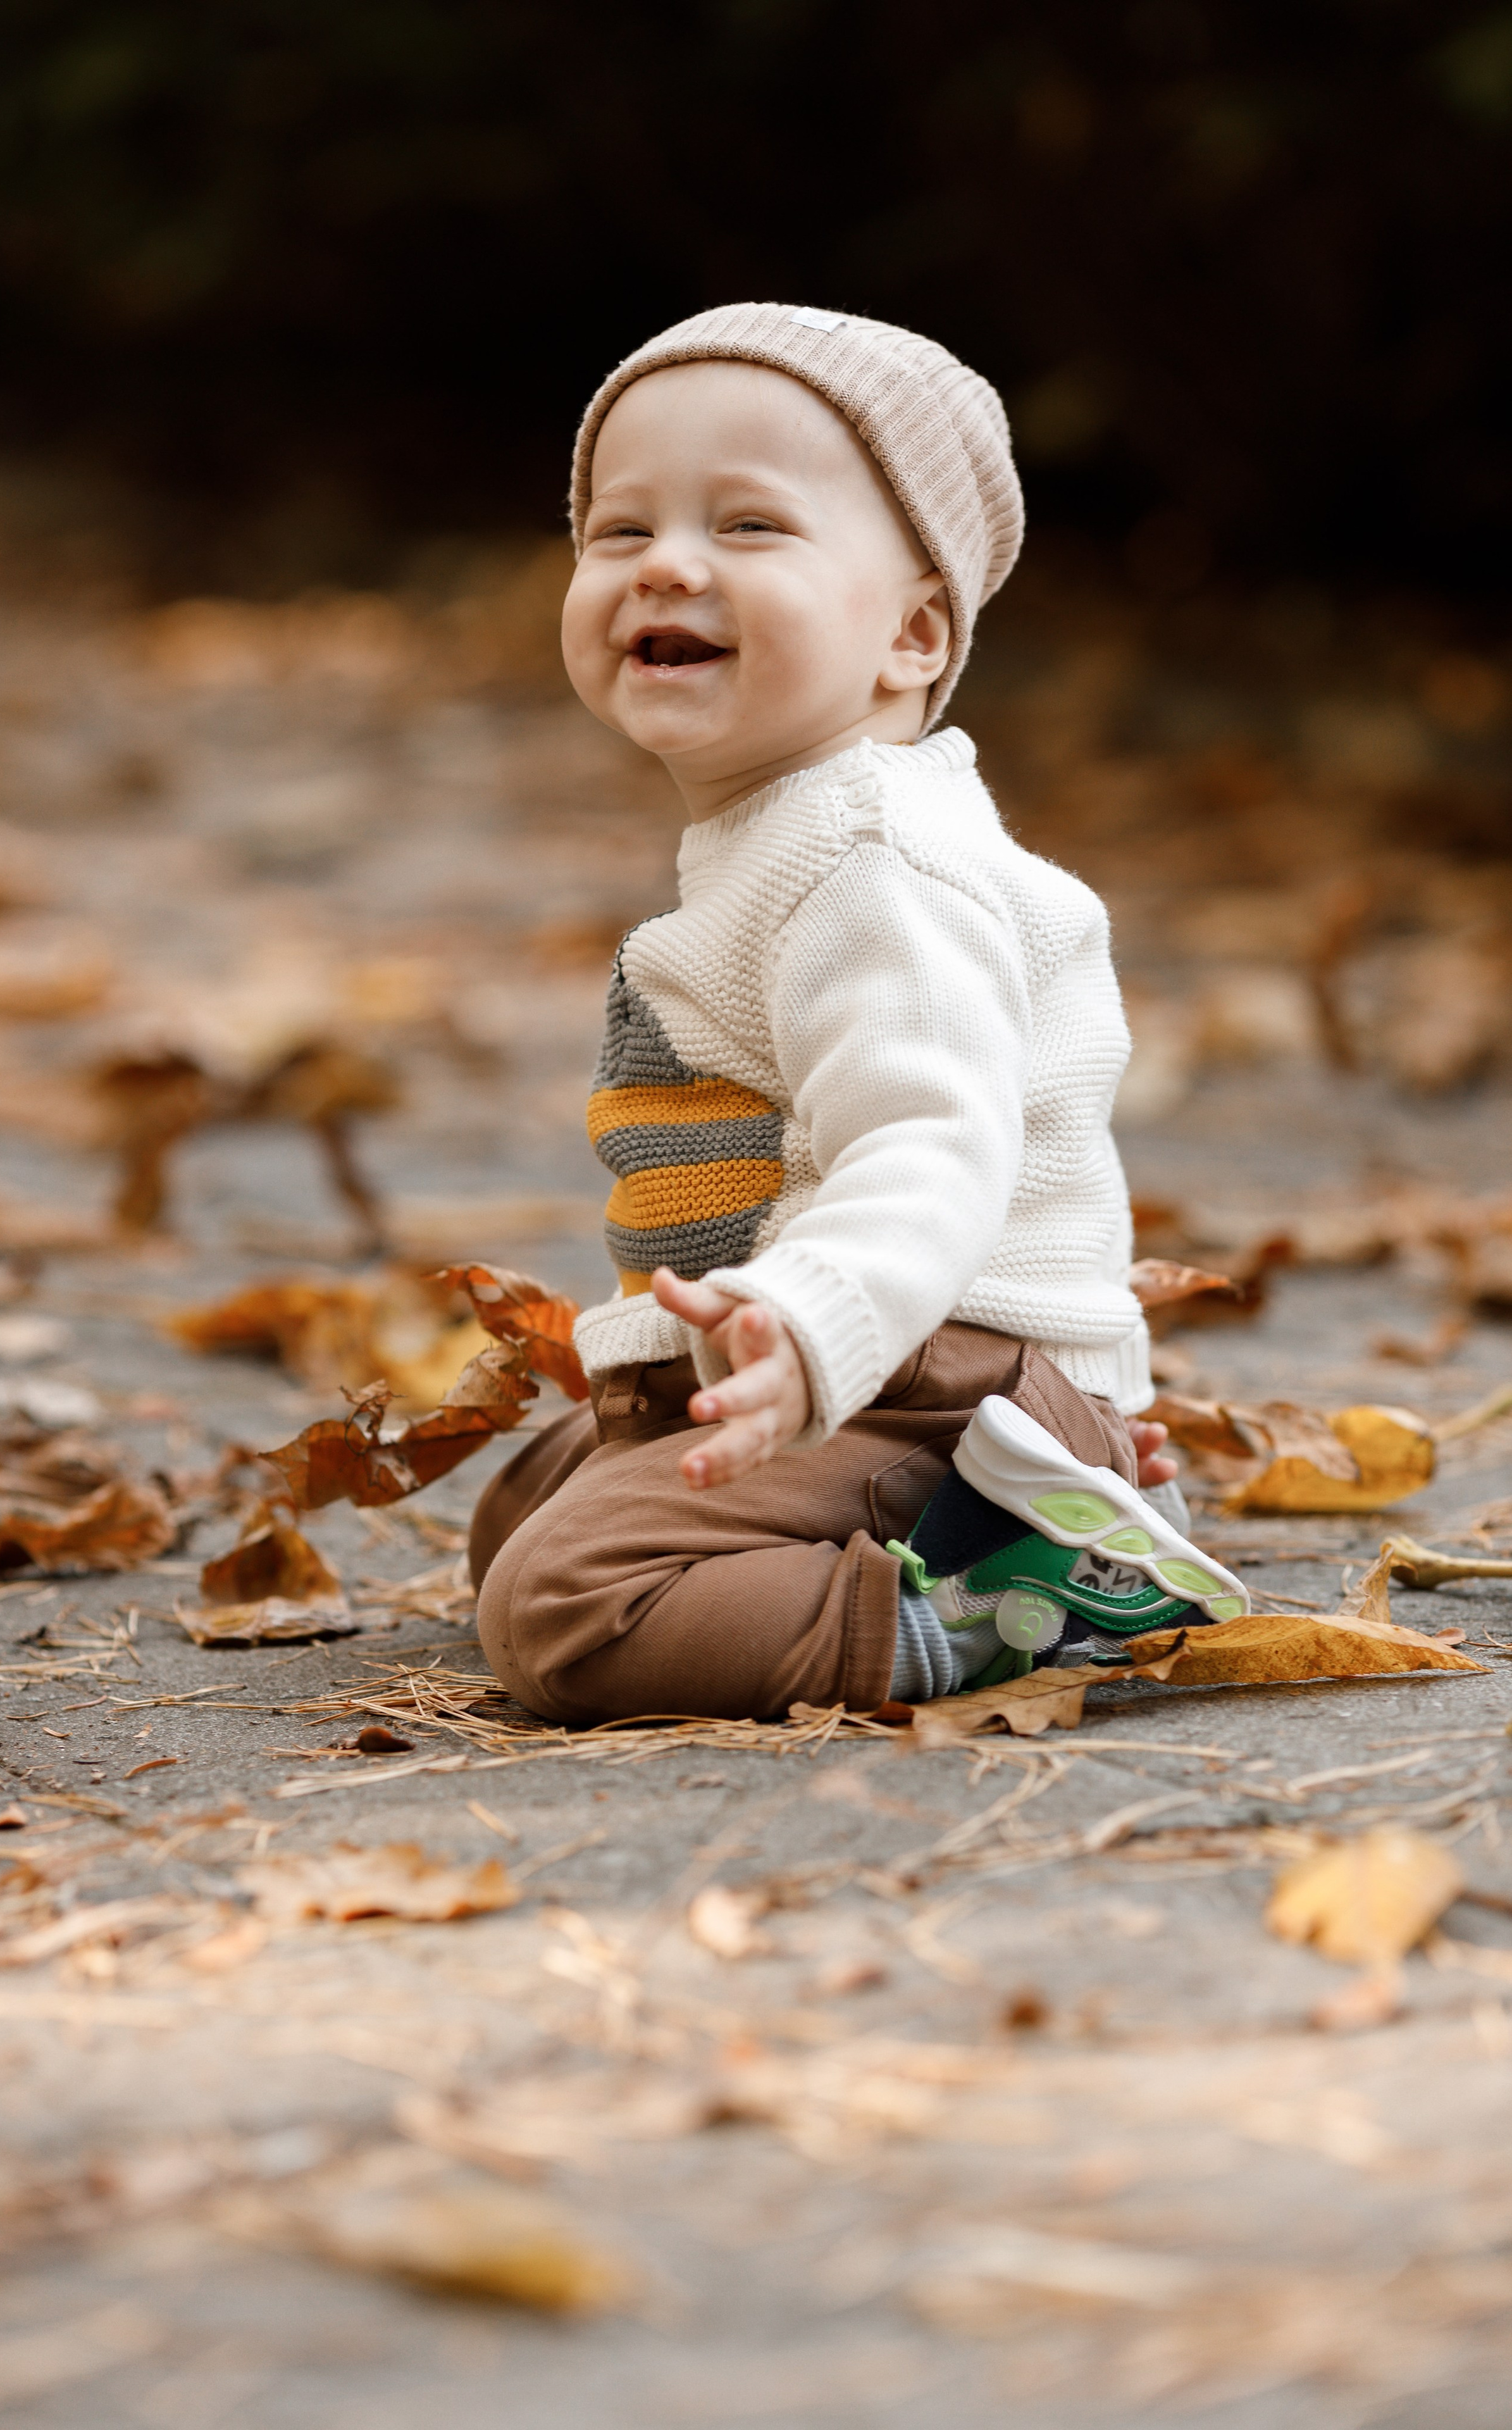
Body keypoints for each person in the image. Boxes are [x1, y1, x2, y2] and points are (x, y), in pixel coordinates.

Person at [469, 302, 1248, 1724]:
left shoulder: (873, 862)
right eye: (620, 529)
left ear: (911, 632)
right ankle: (1012, 1522)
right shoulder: (790, 832)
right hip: (846, 1356)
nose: (668, 565)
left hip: (932, 1374)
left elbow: (934, 1142)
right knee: (511, 1527)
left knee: (560, 1609)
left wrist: (805, 1318)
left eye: (750, 526)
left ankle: (992, 1604)